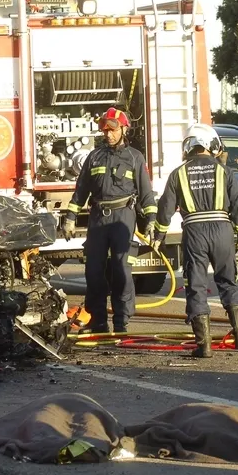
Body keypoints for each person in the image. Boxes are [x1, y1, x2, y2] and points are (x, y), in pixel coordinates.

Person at [151, 124, 238, 357]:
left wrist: (159, 236)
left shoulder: (178, 173)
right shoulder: (224, 171)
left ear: (189, 146)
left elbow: (165, 209)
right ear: (210, 145)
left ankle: (204, 345)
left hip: (194, 231)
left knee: (196, 285)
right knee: (228, 280)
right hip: (223, 230)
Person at [62, 107, 158, 334]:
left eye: (112, 130)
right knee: (94, 271)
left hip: (123, 217)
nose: (108, 134)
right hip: (98, 218)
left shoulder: (135, 157)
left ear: (124, 129)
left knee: (122, 270)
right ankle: (98, 322)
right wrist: (70, 217)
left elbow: (146, 193)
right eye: (104, 130)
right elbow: (81, 190)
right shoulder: (94, 157)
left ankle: (121, 322)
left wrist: (152, 220)